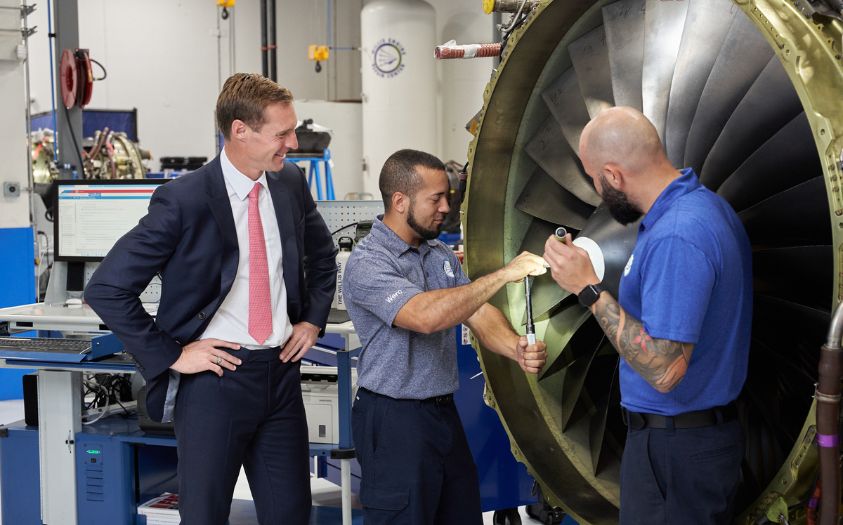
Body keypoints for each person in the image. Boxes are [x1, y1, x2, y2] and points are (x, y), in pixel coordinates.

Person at [84, 73, 337, 525]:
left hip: (279, 376)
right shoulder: (184, 200)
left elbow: (322, 258)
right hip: (215, 383)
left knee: (291, 515)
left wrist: (312, 320)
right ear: (240, 130)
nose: (293, 142)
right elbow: (106, 288)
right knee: (205, 517)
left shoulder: (289, 183)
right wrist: (173, 354)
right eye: (282, 133)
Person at [542, 107, 752, 524]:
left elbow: (666, 369)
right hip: (686, 445)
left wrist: (587, 288)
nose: (599, 192)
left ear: (615, 176)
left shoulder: (678, 235)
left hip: (678, 455)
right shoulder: (699, 209)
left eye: (596, 180)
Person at [343, 149, 549, 524]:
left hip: (441, 415)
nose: (445, 207)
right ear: (400, 201)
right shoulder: (368, 262)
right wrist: (504, 274)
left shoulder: (439, 255)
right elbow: (424, 316)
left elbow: (478, 312)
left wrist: (514, 348)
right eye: (435, 198)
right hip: (393, 419)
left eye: (447, 197)